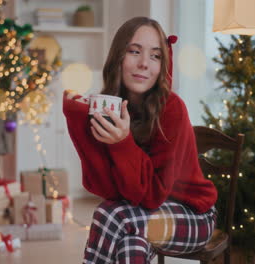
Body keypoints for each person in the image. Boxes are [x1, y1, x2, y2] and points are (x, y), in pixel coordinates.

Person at [63, 16, 217, 264]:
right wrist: (78, 118)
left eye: (155, 56)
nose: (145, 63)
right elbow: (108, 190)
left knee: (112, 215)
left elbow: (153, 196)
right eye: (134, 51)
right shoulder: (111, 106)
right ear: (118, 58)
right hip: (141, 213)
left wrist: (122, 144)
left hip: (194, 216)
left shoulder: (172, 109)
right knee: (130, 243)